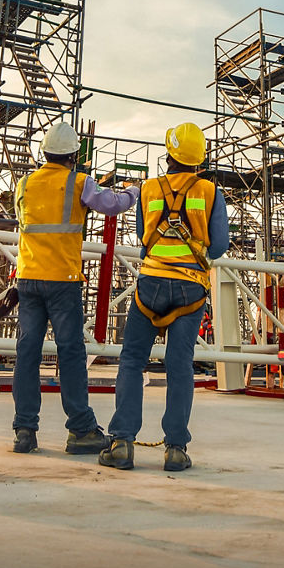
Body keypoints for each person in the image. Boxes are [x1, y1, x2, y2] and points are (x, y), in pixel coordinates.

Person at [100, 121, 229, 473]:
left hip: (151, 285)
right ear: (199, 160)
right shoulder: (210, 192)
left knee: (131, 361)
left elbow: (144, 235)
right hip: (189, 288)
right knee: (179, 365)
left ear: (169, 154)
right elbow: (218, 247)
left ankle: (122, 443)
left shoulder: (148, 188)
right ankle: (175, 449)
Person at [11, 121, 140, 455]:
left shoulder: (24, 183)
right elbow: (112, 204)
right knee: (70, 352)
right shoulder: (78, 181)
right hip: (62, 281)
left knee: (27, 353)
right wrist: (135, 191)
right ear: (74, 156)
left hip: (26, 279)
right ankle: (81, 429)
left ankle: (24, 430)